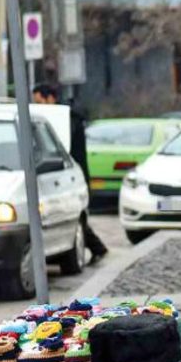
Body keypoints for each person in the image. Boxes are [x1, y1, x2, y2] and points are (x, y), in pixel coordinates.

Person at [33, 83, 108, 263]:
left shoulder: (66, 120)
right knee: (75, 217)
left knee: (75, 216)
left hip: (72, 173)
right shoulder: (66, 117)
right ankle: (98, 247)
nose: (39, 107)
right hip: (72, 172)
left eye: (40, 102)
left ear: (50, 98)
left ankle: (97, 247)